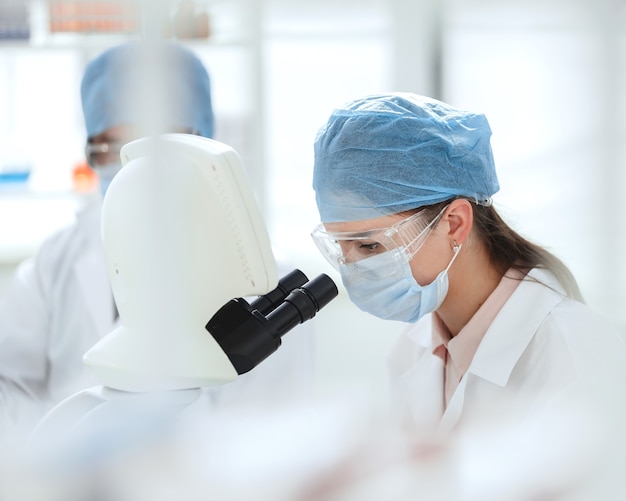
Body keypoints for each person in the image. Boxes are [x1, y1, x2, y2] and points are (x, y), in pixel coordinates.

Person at [0, 41, 313, 436]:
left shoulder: (264, 278)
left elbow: (271, 434)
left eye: (161, 142)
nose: (137, 166)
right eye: (113, 146)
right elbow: (7, 384)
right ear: (92, 153)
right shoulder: (56, 261)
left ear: (204, 144)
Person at [310, 92, 626, 438]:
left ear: (455, 223)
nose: (352, 269)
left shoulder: (572, 353)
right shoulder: (412, 349)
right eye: (340, 248)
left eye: (369, 245)